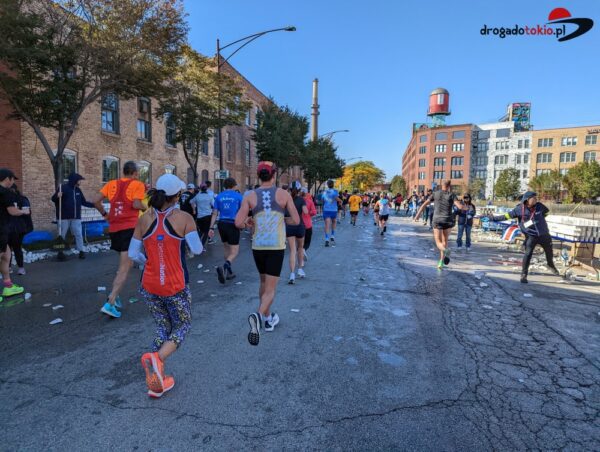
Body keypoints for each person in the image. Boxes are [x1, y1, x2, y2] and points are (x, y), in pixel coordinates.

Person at [128, 173, 202, 398]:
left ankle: (156, 380)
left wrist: (149, 261)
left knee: (163, 327)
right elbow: (197, 249)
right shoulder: (184, 218)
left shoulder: (144, 219)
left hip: (149, 285)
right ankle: (157, 359)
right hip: (175, 284)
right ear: (177, 195)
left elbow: (133, 254)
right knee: (182, 325)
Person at [234, 162, 299, 346]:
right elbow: (296, 220)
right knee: (270, 289)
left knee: (263, 283)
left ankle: (268, 317)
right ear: (273, 176)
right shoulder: (284, 194)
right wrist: (283, 219)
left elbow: (238, 223)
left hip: (258, 246)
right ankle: (258, 315)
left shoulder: (250, 196)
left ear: (258, 176)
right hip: (275, 246)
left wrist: (248, 222)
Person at [90, 161, 146, 318]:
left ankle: (116, 295)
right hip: (129, 229)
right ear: (135, 173)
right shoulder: (138, 184)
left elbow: (95, 200)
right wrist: (145, 207)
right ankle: (111, 301)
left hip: (114, 229)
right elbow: (136, 204)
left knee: (125, 264)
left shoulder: (111, 184)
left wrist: (105, 215)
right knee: (125, 267)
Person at [489, 191, 559, 283]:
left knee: (549, 252)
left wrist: (539, 220)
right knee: (528, 253)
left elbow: (545, 213)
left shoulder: (540, 206)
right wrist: (493, 218)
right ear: (527, 199)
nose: (536, 199)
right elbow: (506, 216)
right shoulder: (519, 209)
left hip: (544, 234)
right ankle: (524, 274)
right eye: (534, 198)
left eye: (536, 198)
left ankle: (550, 264)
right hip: (531, 235)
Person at [415, 181, 464, 270]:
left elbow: (424, 204)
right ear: (449, 186)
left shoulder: (435, 194)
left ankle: (446, 251)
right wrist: (465, 207)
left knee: (438, 242)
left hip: (437, 219)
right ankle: (441, 261)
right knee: (445, 241)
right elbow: (460, 207)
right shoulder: (452, 195)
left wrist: (417, 215)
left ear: (442, 186)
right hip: (448, 220)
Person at [51, 173, 95, 260]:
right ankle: (60, 253)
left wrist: (94, 205)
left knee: (78, 233)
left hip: (76, 217)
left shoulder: (78, 190)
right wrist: (57, 196)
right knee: (62, 235)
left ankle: (81, 251)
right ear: (75, 180)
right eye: (79, 180)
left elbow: (83, 202)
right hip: (63, 217)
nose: (80, 182)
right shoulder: (63, 188)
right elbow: (53, 199)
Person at [0, 169, 27, 302]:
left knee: (6, 256)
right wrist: (23, 212)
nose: (13, 182)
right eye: (12, 179)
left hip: (3, 230)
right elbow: (12, 211)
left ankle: (8, 286)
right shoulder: (5, 192)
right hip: (1, 230)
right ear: (7, 179)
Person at [210, 177, 243, 283]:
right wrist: (244, 223)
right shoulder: (238, 196)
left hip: (221, 224)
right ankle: (225, 266)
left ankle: (229, 272)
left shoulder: (219, 196)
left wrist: (211, 227)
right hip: (233, 224)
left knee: (226, 248)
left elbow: (214, 213)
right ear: (234, 185)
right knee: (235, 251)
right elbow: (243, 211)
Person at [8, 184, 33, 275]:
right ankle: (10, 268)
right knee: (8, 248)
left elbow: (27, 212)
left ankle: (20, 268)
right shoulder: (5, 200)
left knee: (16, 248)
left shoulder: (22, 199)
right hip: (8, 227)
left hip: (18, 228)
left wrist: (16, 212)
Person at [286, 181, 308, 284]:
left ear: (290, 189)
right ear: (299, 190)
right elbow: (306, 212)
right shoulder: (301, 199)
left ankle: (292, 274)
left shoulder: (287, 199)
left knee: (292, 251)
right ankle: (300, 269)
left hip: (289, 226)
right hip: (299, 225)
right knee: (300, 248)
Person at [320, 180, 341, 247]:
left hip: (326, 209)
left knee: (327, 224)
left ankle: (326, 239)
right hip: (334, 210)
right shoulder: (335, 191)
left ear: (327, 185)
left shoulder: (324, 192)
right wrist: (340, 201)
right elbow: (337, 199)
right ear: (333, 185)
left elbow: (322, 200)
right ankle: (332, 235)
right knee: (334, 221)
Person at [301, 187, 317, 261]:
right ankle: (304, 249)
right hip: (307, 224)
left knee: (299, 242)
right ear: (306, 193)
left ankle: (300, 260)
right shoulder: (309, 201)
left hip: (298, 224)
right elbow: (314, 212)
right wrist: (308, 214)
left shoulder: (295, 201)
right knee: (307, 241)